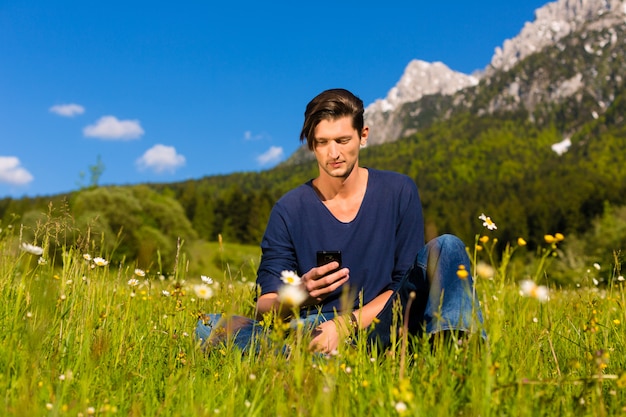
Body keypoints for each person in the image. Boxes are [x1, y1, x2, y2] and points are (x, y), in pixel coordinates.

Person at [196, 88, 483, 354]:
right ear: (312, 145)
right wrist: (298, 295)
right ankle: (306, 356)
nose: (333, 153)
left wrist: (346, 325)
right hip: (313, 329)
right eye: (322, 143)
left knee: (448, 247)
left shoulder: (399, 191)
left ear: (363, 135)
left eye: (343, 140)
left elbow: (404, 287)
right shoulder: (288, 209)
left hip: (381, 323)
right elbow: (263, 305)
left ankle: (457, 352)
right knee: (207, 323)